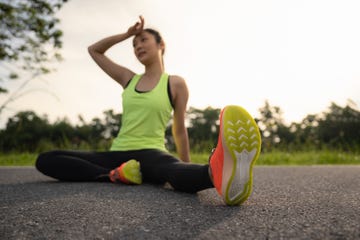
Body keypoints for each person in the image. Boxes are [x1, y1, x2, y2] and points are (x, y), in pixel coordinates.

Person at [35, 16, 261, 206]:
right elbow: (94, 50)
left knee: (170, 169)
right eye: (134, 45)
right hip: (116, 157)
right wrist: (126, 34)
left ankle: (218, 172)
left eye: (143, 40)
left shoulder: (174, 84)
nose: (138, 46)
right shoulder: (128, 79)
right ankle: (115, 176)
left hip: (150, 154)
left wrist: (187, 165)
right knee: (47, 159)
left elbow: (179, 130)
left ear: (161, 45)